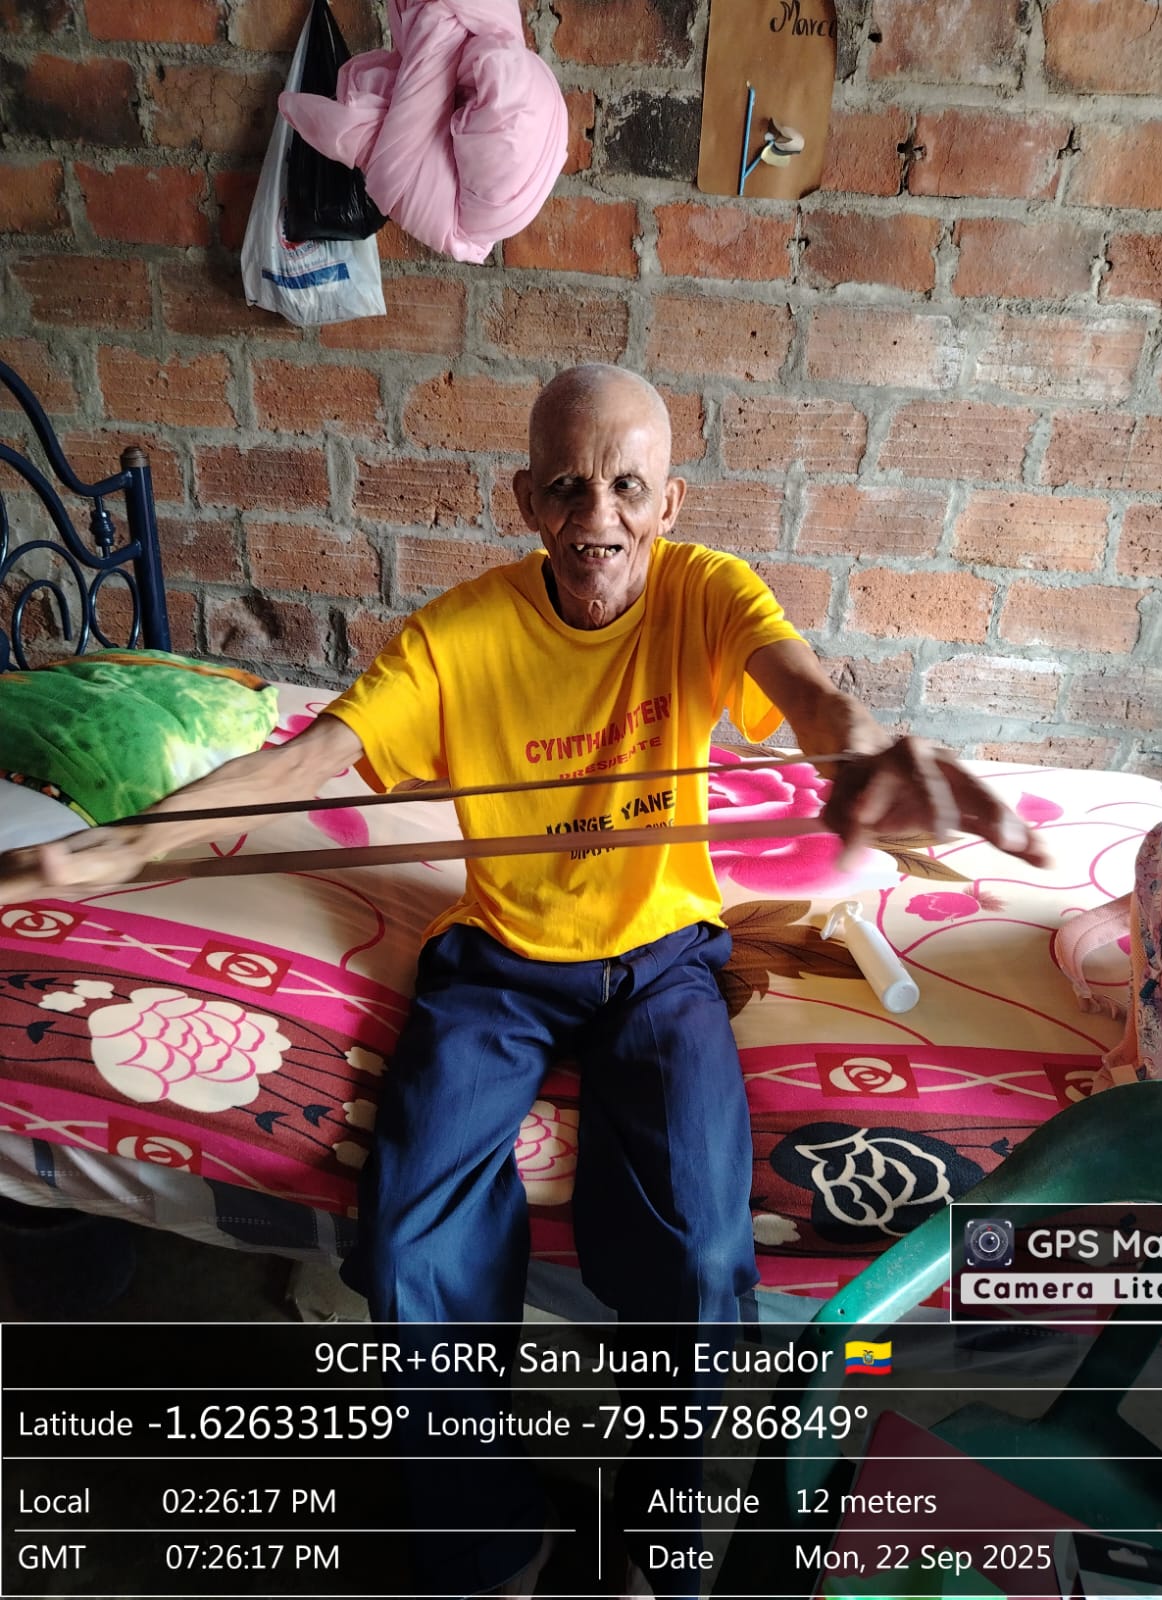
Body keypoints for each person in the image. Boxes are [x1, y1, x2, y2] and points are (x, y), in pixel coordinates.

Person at [0, 365, 1048, 1598]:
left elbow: (809, 693)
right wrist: (119, 847)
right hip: (500, 964)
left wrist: (864, 750)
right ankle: (490, 1539)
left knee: (704, 1256)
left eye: (628, 488)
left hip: (664, 963)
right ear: (525, 500)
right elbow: (309, 758)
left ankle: (656, 1538)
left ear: (669, 503)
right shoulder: (460, 634)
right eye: (566, 487)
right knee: (412, 1247)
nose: (597, 518)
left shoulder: (707, 593)